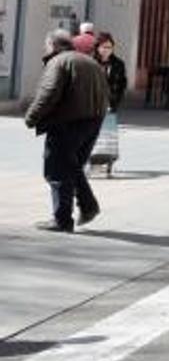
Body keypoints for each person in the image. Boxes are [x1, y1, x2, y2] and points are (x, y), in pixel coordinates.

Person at [23, 30, 109, 232]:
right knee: (73, 167)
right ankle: (88, 206)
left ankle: (62, 219)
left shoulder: (59, 62)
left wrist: (31, 117)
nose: (45, 50)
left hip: (67, 122)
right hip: (93, 120)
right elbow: (106, 93)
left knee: (57, 170)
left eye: (46, 46)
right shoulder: (90, 62)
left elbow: (49, 92)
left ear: (53, 46)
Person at [92, 32, 127, 111]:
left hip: (110, 103)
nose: (106, 50)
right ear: (98, 48)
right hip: (92, 104)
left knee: (108, 123)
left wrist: (117, 99)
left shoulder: (118, 64)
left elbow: (122, 83)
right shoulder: (91, 62)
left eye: (109, 47)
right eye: (104, 47)